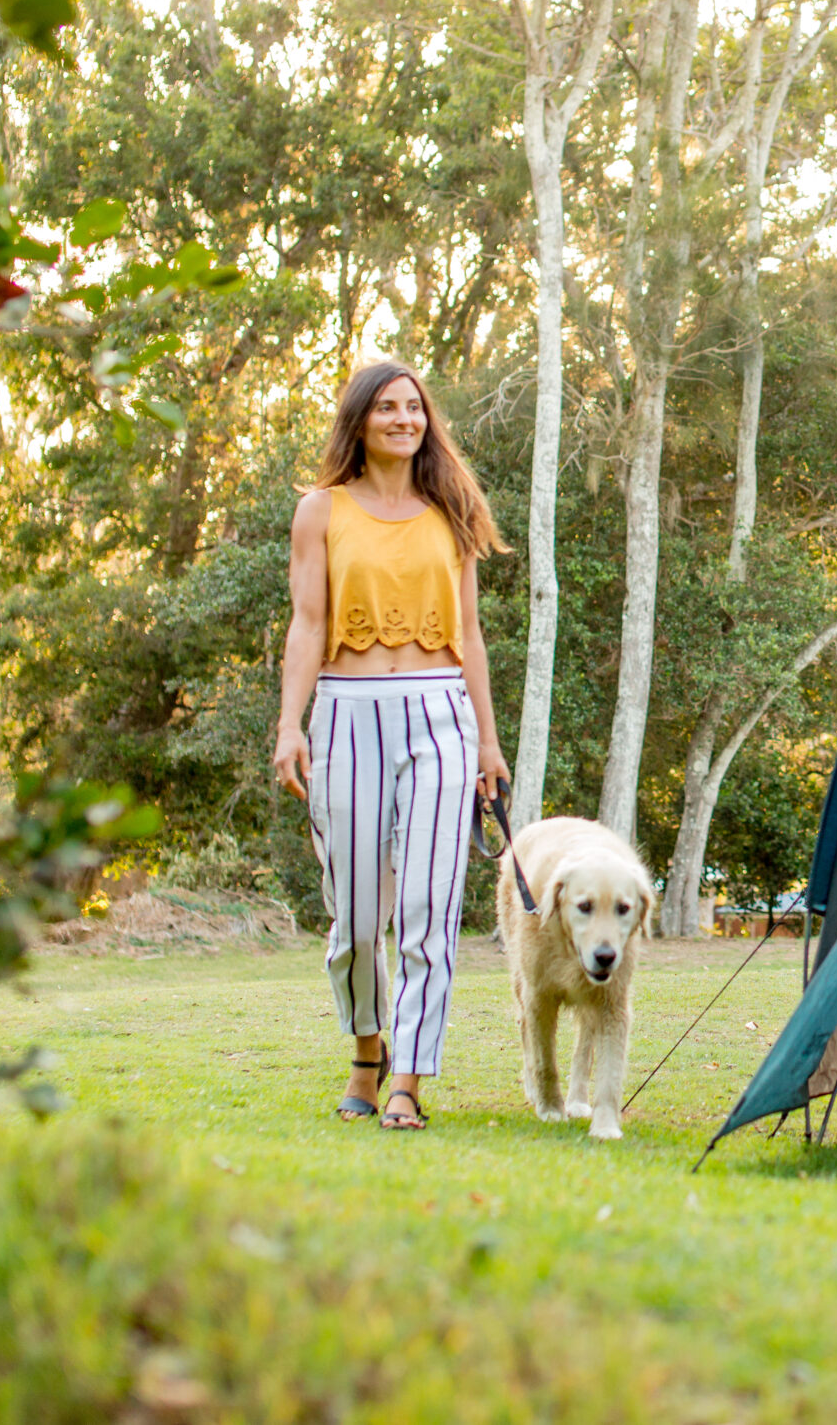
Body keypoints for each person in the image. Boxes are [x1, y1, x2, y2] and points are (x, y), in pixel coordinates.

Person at [274, 363, 509, 1130]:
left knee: (429, 907)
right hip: (347, 713)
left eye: (414, 407)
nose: (404, 418)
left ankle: (409, 1077)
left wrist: (488, 743)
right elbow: (308, 625)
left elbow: (470, 632)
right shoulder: (320, 510)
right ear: (361, 420)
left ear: (426, 421)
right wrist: (289, 725)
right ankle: (367, 1052)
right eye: (387, 407)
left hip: (441, 713)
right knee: (355, 916)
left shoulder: (453, 508)